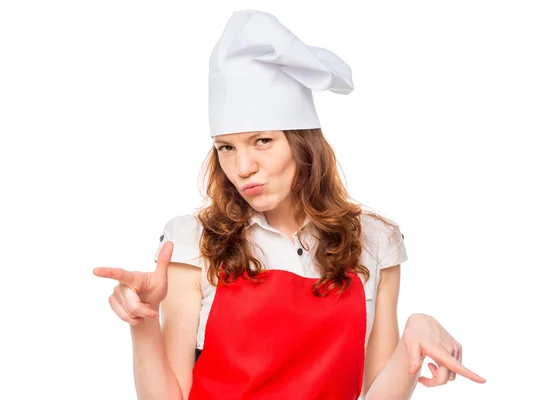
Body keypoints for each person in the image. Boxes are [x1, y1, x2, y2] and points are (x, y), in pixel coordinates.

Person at [93, 9, 486, 400]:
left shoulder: (376, 241)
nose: (243, 168)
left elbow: (375, 393)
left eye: (262, 141)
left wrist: (412, 337)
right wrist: (142, 323)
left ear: (303, 143)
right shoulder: (193, 240)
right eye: (226, 148)